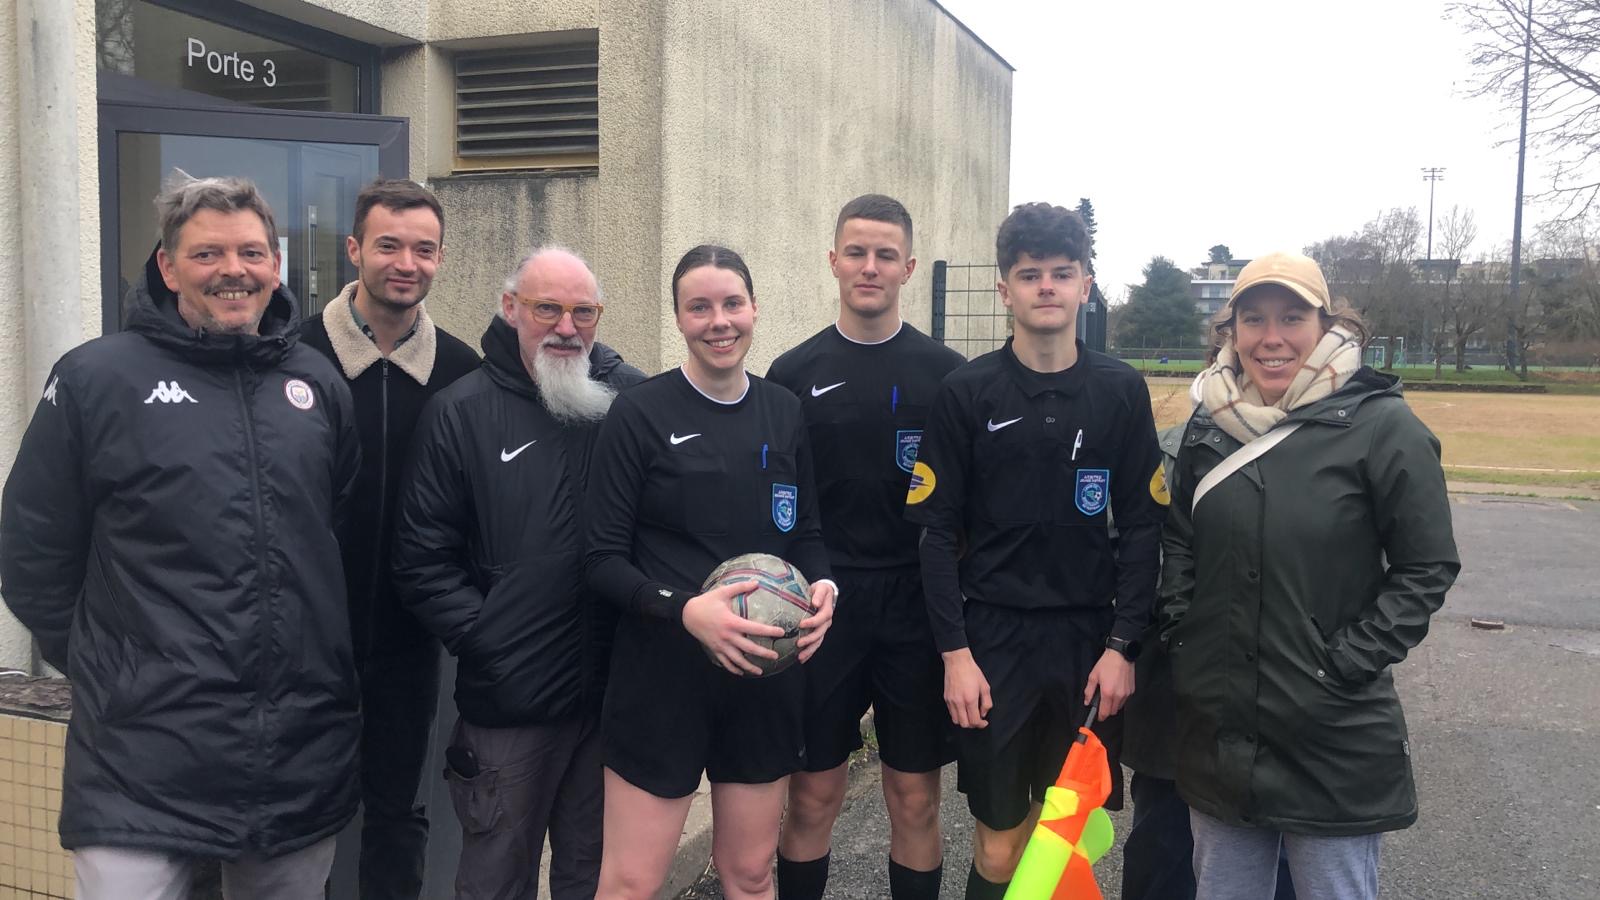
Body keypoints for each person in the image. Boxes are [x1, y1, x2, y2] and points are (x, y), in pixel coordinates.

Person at [0, 175, 361, 899]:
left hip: (291, 754)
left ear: (276, 264)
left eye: (252, 252)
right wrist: (114, 661)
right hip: (141, 755)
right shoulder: (97, 379)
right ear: (167, 267)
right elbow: (31, 550)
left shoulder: (316, 384)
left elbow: (334, 536)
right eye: (208, 254)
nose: (235, 270)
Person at [1159, 251, 1460, 900]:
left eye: (1292, 317)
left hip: (1331, 732)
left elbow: (1426, 565)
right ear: (1231, 330)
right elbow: (1179, 543)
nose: (1272, 337)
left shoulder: (1383, 426)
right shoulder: (1207, 431)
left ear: (1325, 325)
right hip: (1222, 726)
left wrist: (1346, 663)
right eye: (1254, 318)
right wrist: (1187, 637)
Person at [905, 203, 1165, 899]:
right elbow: (935, 534)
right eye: (1029, 275)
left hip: (1089, 642)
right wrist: (955, 655)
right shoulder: (966, 392)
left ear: (1085, 284)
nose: (1045, 286)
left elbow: (1143, 528)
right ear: (1005, 290)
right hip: (994, 640)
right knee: (998, 840)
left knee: (1066, 832)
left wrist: (1124, 647)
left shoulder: (1120, 390)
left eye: (1061, 273)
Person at [584, 244, 839, 900]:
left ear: (755, 309)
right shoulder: (639, 413)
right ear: (678, 317)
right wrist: (684, 611)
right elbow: (601, 559)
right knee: (632, 881)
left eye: (732, 304)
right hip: (662, 677)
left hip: (762, 678)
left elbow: (806, 531)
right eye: (700, 307)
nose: (718, 320)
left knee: (751, 874)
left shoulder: (783, 411)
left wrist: (824, 588)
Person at [391, 246, 645, 899]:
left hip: (609, 697)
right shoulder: (460, 412)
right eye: (547, 308)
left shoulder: (625, 404)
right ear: (511, 309)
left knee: (591, 875)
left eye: (582, 311)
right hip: (510, 707)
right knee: (496, 880)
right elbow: (421, 558)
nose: (566, 326)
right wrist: (489, 639)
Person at [766, 195, 964, 900]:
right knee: (813, 798)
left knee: (914, 800)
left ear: (908, 267)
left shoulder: (948, 375)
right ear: (832, 261)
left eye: (885, 255)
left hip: (915, 610)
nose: (870, 267)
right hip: (826, 609)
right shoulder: (791, 375)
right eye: (856, 252)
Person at [299, 178, 480, 900]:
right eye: (389, 245)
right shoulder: (293, 358)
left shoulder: (463, 373)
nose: (407, 262)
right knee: (298, 820)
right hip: (307, 642)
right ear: (354, 250)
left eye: (424, 249)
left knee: (400, 818)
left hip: (411, 644)